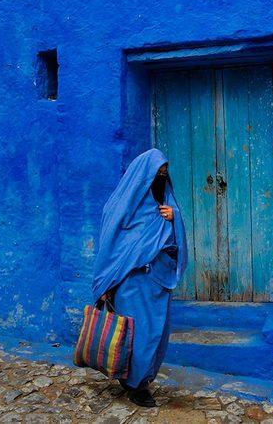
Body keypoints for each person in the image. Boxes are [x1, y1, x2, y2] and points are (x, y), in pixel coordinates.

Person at [91, 148, 188, 407]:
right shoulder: (119, 209)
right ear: (142, 177)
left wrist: (174, 219)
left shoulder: (167, 206)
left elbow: (176, 245)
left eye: (165, 175)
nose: (162, 180)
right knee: (135, 335)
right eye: (157, 175)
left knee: (154, 335)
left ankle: (139, 380)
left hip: (158, 281)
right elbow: (110, 248)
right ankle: (136, 385)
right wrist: (105, 283)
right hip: (130, 284)